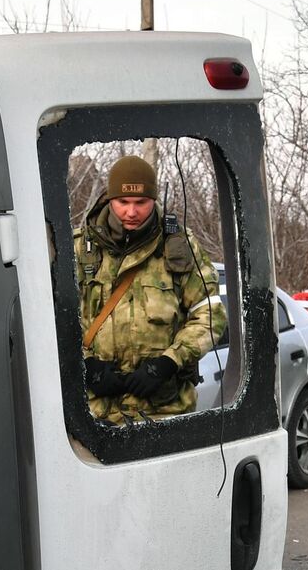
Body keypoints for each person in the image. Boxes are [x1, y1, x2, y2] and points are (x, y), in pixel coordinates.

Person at [76, 155, 226, 425]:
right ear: (110, 199)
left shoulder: (179, 246)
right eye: (123, 202)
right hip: (94, 416)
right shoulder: (80, 248)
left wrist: (169, 362)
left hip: (165, 412)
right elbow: (52, 320)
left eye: (141, 203)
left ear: (154, 200)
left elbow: (210, 313)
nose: (131, 213)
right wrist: (85, 364)